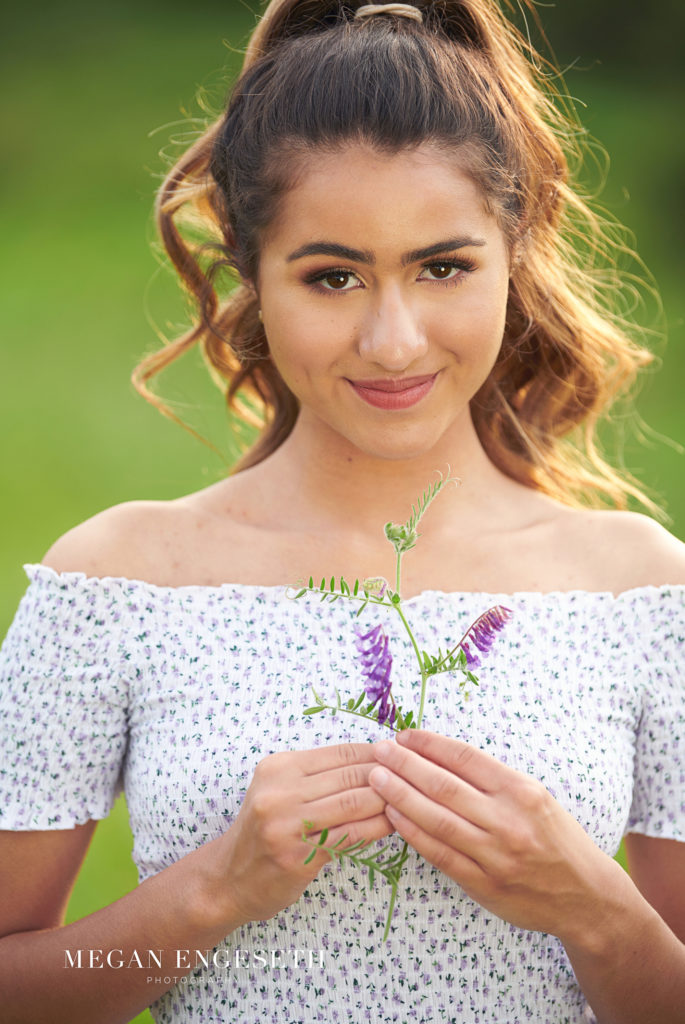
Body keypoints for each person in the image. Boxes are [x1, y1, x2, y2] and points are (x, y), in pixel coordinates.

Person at [0, 1, 683, 1021]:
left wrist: (595, 913)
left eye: (443, 267)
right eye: (332, 277)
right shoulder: (116, 582)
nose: (393, 341)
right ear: (250, 273)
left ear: (515, 252)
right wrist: (211, 893)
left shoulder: (643, 592)